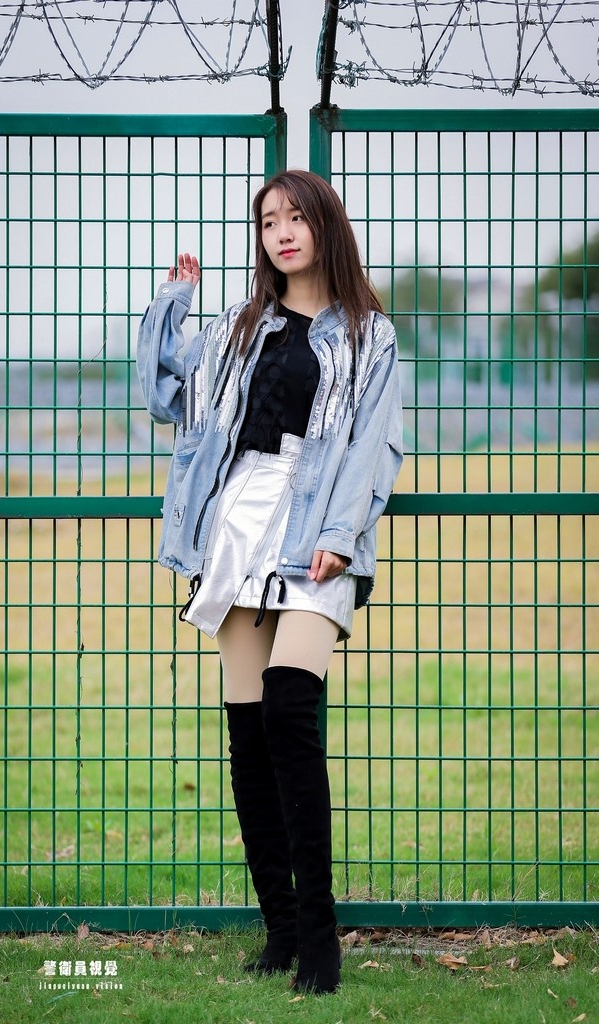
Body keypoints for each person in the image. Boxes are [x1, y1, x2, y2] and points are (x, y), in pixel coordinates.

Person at [137, 169, 403, 994]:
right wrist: (172, 306)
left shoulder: (369, 335)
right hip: (238, 518)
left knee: (291, 707)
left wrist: (338, 535)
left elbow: (371, 444)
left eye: (295, 217)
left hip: (315, 519)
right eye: (267, 222)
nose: (282, 233)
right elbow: (163, 394)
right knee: (249, 732)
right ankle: (280, 932)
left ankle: (320, 938)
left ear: (325, 225)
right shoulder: (238, 325)